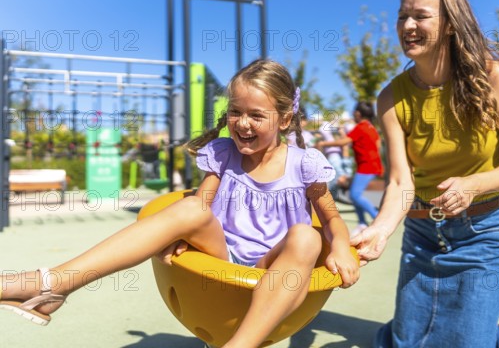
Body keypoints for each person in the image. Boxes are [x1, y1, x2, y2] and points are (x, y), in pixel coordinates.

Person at [0, 59, 359, 348]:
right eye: (235, 112)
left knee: (307, 236)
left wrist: (340, 245)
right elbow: (200, 208)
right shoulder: (223, 153)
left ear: (283, 118)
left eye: (256, 115)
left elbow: (330, 220)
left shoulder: (305, 163)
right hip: (222, 258)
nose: (243, 124)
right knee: (190, 208)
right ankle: (54, 283)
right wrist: (183, 234)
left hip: (273, 264)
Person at [350, 0, 499, 347]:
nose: (407, 26)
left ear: (450, 24)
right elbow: (399, 182)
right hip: (422, 237)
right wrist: (381, 230)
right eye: (402, 16)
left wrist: (473, 185)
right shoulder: (390, 97)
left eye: (420, 16)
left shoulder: (494, 77)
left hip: (482, 236)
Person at [317, 102, 383, 237]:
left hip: (367, 167)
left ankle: (377, 219)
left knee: (355, 195)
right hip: (371, 166)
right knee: (355, 194)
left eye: (354, 112)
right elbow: (378, 145)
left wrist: (323, 143)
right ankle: (362, 222)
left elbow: (343, 142)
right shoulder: (372, 128)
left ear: (358, 113)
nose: (353, 115)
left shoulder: (361, 127)